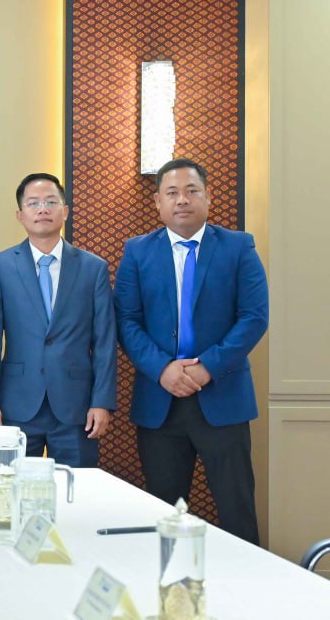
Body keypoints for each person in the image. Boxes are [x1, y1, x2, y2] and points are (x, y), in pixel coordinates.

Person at [114, 158, 268, 544]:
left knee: (236, 509)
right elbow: (127, 320)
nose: (182, 200)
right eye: (172, 193)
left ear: (208, 196)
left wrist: (207, 367)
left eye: (191, 191)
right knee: (164, 513)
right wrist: (163, 369)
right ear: (158, 202)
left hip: (222, 397)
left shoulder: (238, 246)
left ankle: (246, 581)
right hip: (160, 401)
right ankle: (171, 581)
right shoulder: (137, 251)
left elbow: (254, 317)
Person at [0, 173, 116, 468]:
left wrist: (101, 401)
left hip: (77, 406)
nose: (43, 209)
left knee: (78, 486)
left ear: (65, 211)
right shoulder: (0, 267)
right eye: (33, 203)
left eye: (51, 202)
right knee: (11, 486)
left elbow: (104, 341)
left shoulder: (93, 268)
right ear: (20, 215)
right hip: (16, 403)